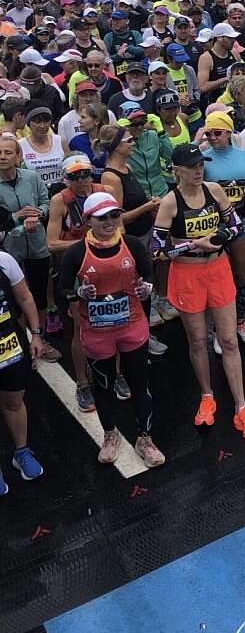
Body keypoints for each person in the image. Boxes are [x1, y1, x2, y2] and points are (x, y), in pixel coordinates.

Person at [153, 144, 245, 439]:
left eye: (201, 165)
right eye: (192, 166)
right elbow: (156, 250)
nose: (199, 170)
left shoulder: (214, 190)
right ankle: (206, 394)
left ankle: (241, 405)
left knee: (228, 339)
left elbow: (236, 225)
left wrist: (221, 235)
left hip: (217, 269)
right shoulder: (170, 202)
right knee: (199, 340)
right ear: (177, 170)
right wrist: (193, 245)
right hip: (187, 274)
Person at [58, 192, 165, 468]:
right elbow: (62, 291)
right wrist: (79, 293)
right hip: (97, 334)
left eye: (114, 215)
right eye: (101, 217)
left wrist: (147, 287)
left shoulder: (132, 244)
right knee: (104, 388)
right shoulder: (76, 252)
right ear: (88, 220)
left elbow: (149, 273)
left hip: (132, 327)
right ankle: (110, 435)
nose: (109, 222)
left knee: (139, 385)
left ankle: (145, 439)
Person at [95, 123, 170, 349]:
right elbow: (117, 219)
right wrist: (147, 207)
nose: (133, 143)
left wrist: (149, 206)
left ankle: (149, 320)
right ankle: (142, 335)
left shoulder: (127, 167)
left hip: (145, 232)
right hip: (133, 238)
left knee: (149, 276)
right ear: (116, 146)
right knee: (137, 284)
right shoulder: (111, 178)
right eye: (128, 140)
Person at [46, 155, 108, 412]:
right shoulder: (60, 200)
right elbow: (52, 243)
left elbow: (119, 228)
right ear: (66, 178)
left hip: (106, 264)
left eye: (85, 173)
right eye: (74, 176)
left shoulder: (104, 191)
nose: (81, 180)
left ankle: (116, 375)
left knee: (114, 321)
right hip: (76, 269)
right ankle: (82, 383)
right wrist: (87, 243)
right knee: (81, 326)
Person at [200, 111, 245, 349]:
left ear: (229, 133)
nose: (213, 137)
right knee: (217, 279)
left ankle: (241, 321)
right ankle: (219, 329)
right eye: (208, 133)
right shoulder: (203, 157)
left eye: (217, 132)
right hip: (214, 224)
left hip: (241, 221)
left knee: (241, 276)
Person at [0, 135, 58, 361]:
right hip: (9, 250)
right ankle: (24, 342)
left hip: (37, 245)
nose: (2, 157)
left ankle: (40, 339)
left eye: (8, 152)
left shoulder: (31, 177)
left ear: (18, 157)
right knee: (16, 299)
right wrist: (19, 216)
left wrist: (39, 214)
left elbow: (46, 202)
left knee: (40, 294)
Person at [0, 250, 45, 492]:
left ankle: (22, 452)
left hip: (10, 347)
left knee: (14, 402)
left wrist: (36, 335)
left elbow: (25, 297)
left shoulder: (4, 261)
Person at [19, 103, 70, 191]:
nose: (42, 126)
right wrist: (48, 187)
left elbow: (70, 167)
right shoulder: (21, 145)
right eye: (37, 122)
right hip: (35, 193)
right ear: (29, 123)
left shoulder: (60, 141)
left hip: (61, 191)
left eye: (46, 121)